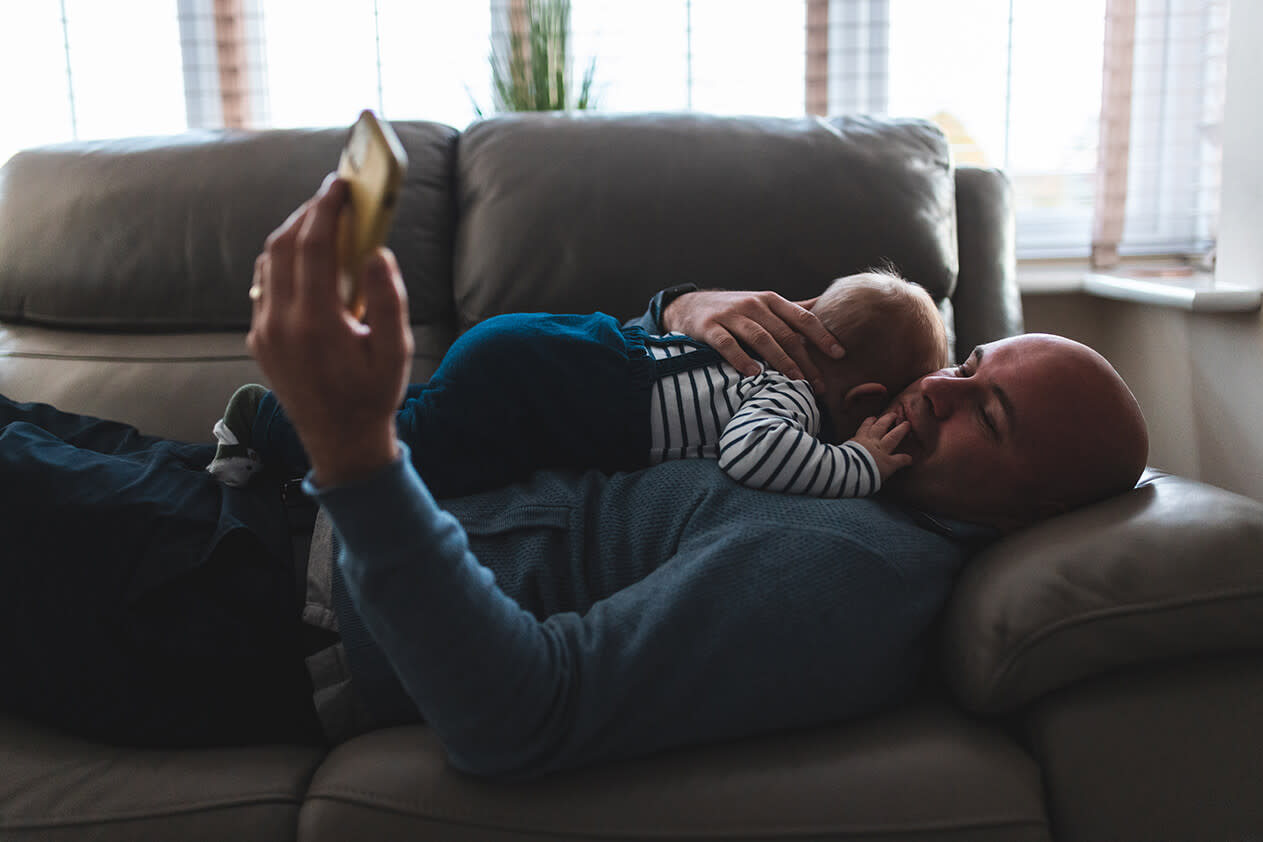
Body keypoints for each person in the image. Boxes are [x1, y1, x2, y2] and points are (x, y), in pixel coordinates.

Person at [0, 176, 1148, 778]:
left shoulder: (845, 566)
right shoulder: (856, 461)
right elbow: (632, 389)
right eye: (970, 361)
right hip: (250, 501)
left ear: (1030, 513)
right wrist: (684, 309)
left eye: (982, 414)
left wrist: (358, 453)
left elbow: (520, 714)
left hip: (250, 603)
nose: (937, 389)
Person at [206, 269, 949, 501]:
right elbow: (753, 458)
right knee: (418, 456)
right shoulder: (782, 392)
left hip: (555, 348)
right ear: (862, 403)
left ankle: (300, 410)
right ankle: (267, 419)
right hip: (553, 389)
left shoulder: (751, 353)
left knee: (422, 416)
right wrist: (863, 464)